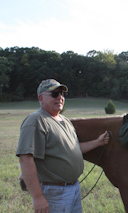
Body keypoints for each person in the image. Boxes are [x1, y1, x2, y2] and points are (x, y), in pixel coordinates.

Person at [16, 79, 109, 213]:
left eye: (61, 94)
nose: (60, 97)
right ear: (41, 98)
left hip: (74, 188)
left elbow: (73, 149)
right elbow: (25, 159)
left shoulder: (65, 121)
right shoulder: (36, 121)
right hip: (53, 193)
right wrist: (38, 197)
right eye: (54, 94)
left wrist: (97, 142)